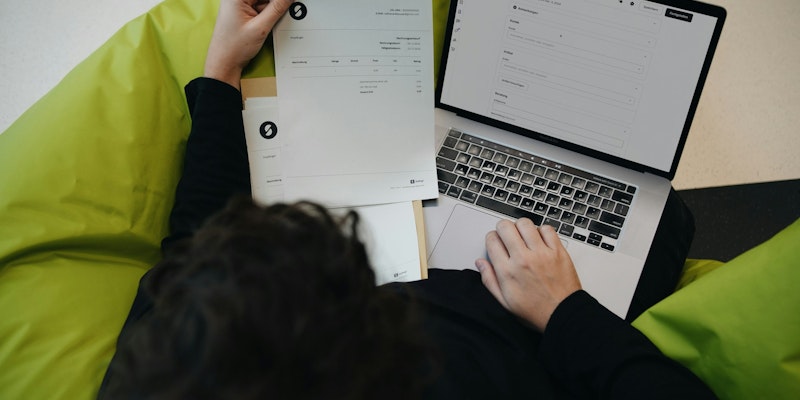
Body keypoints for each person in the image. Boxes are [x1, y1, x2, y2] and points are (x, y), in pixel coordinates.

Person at [98, 0, 717, 398]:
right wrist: (565, 313)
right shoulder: (452, 371)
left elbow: (193, 254)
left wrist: (221, 72)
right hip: (546, 317)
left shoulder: (169, 361)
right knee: (665, 219)